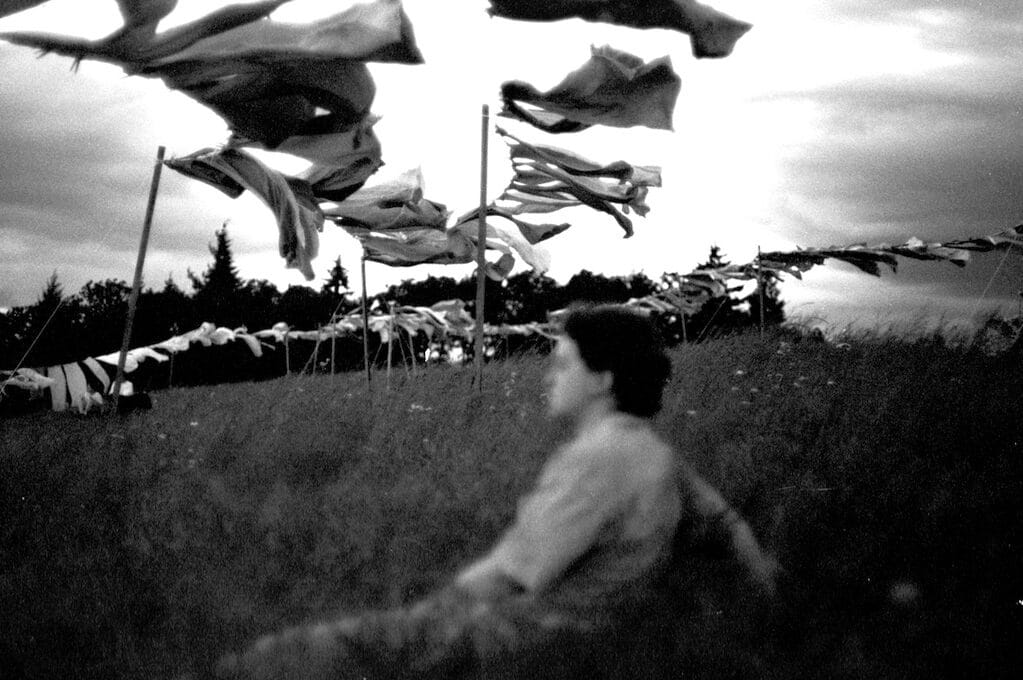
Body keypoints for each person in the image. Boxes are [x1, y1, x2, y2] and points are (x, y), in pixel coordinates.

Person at [216, 304, 779, 679]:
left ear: (604, 379)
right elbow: (727, 521)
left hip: (539, 638)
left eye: (563, 366)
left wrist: (430, 615)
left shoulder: (598, 460)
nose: (548, 377)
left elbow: (507, 575)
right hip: (594, 632)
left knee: (321, 650)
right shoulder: (654, 452)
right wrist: (763, 582)